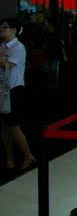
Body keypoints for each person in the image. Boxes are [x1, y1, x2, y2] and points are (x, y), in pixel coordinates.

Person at [0, 18, 36, 171]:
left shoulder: (18, 47)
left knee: (13, 126)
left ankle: (28, 156)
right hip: (3, 90)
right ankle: (10, 159)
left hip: (14, 90)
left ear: (14, 30)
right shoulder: (3, 46)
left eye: (5, 27)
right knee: (4, 126)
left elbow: (8, 65)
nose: (2, 30)